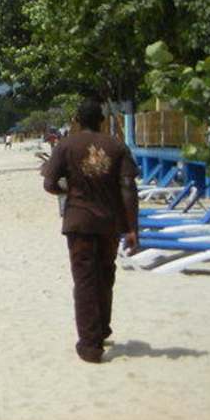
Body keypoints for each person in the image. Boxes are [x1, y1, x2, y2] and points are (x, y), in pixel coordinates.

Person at [41, 98, 139, 364]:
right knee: (105, 276)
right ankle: (102, 329)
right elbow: (128, 188)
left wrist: (67, 190)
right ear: (101, 120)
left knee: (85, 280)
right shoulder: (117, 146)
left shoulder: (66, 146)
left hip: (79, 221)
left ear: (77, 121)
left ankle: (90, 345)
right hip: (109, 223)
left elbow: (49, 184)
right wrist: (132, 228)